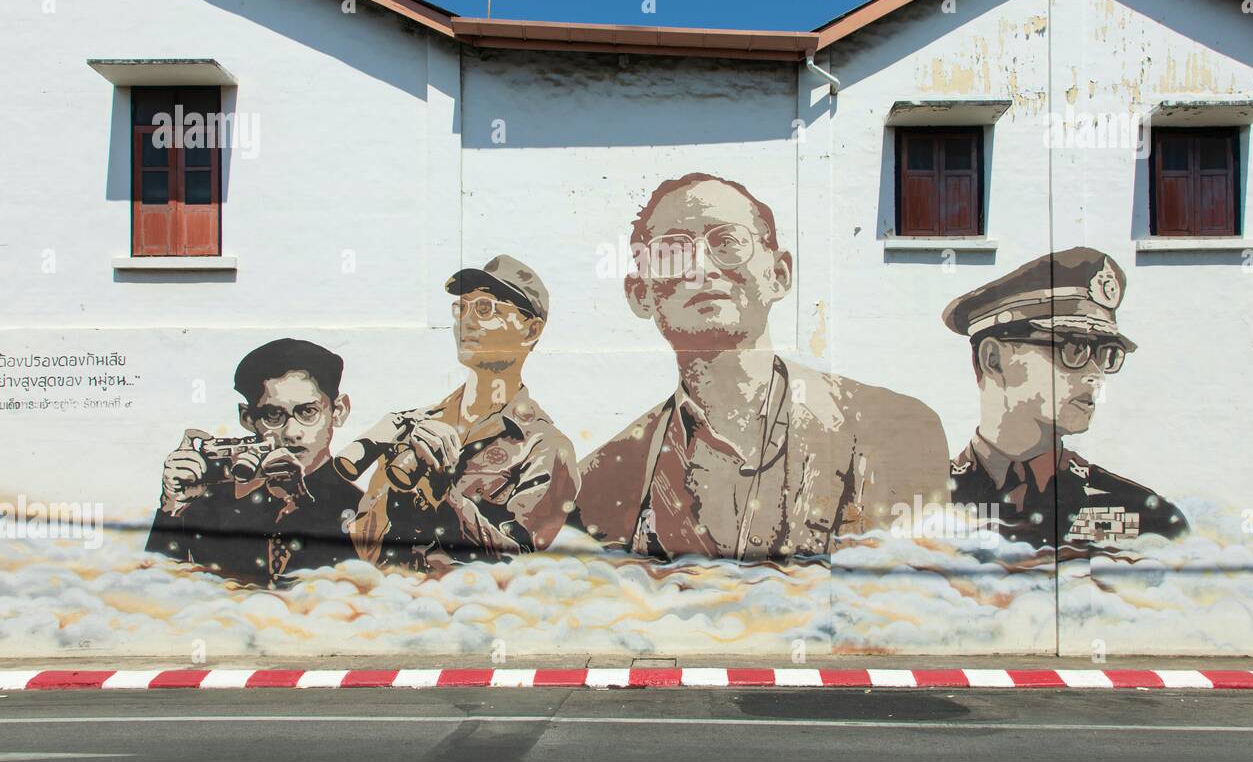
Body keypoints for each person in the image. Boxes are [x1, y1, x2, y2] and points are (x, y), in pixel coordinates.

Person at [576, 172, 950, 561]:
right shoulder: (601, 481)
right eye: (672, 252)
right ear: (641, 294)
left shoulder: (891, 428)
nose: (701, 267)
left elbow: (906, 601)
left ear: (779, 274)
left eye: (727, 242)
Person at [942, 247, 1188, 550]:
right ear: (993, 358)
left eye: (1105, 354)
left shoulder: (1145, 516)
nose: (1095, 375)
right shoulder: (923, 499)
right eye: (1073, 349)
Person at [347, 255, 578, 567]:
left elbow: (520, 564)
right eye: (461, 308)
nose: (466, 320)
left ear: (531, 330)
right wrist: (398, 490)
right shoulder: (417, 425)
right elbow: (365, 546)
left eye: (485, 308)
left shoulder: (545, 446)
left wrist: (446, 495)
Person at [144, 338, 361, 585]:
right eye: (273, 415)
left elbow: (363, 590)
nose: (291, 432)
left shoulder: (367, 508)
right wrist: (172, 510)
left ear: (339, 410)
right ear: (247, 418)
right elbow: (153, 593)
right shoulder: (211, 506)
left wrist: (300, 505)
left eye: (308, 412)